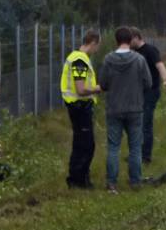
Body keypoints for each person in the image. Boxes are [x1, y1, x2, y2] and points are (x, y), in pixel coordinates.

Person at [99, 26, 153, 192]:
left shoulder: (108, 59)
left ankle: (111, 183)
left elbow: (103, 84)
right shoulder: (139, 60)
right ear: (131, 40)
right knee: (135, 146)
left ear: (116, 40)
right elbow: (148, 83)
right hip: (135, 108)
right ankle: (135, 181)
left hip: (114, 108)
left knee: (114, 147)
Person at [61, 30, 103, 189]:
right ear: (93, 42)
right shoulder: (80, 60)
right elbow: (80, 89)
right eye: (98, 46)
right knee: (86, 145)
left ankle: (79, 179)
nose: (97, 50)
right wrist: (99, 88)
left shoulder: (76, 57)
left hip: (79, 107)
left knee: (81, 144)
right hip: (80, 107)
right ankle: (78, 181)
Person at [129, 26, 166, 164]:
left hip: (150, 92)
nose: (128, 43)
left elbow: (160, 66)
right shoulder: (133, 52)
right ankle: (136, 154)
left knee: (145, 123)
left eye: (130, 39)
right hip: (138, 92)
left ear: (136, 37)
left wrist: (165, 80)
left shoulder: (150, 50)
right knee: (137, 123)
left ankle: (145, 157)